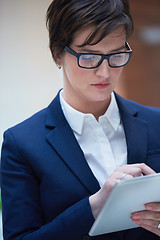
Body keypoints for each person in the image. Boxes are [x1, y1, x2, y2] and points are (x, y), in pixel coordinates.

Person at [1, 0, 160, 239]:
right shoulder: (21, 144)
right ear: (57, 52)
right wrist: (95, 206)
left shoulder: (157, 122)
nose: (104, 72)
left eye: (116, 55)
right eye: (88, 57)